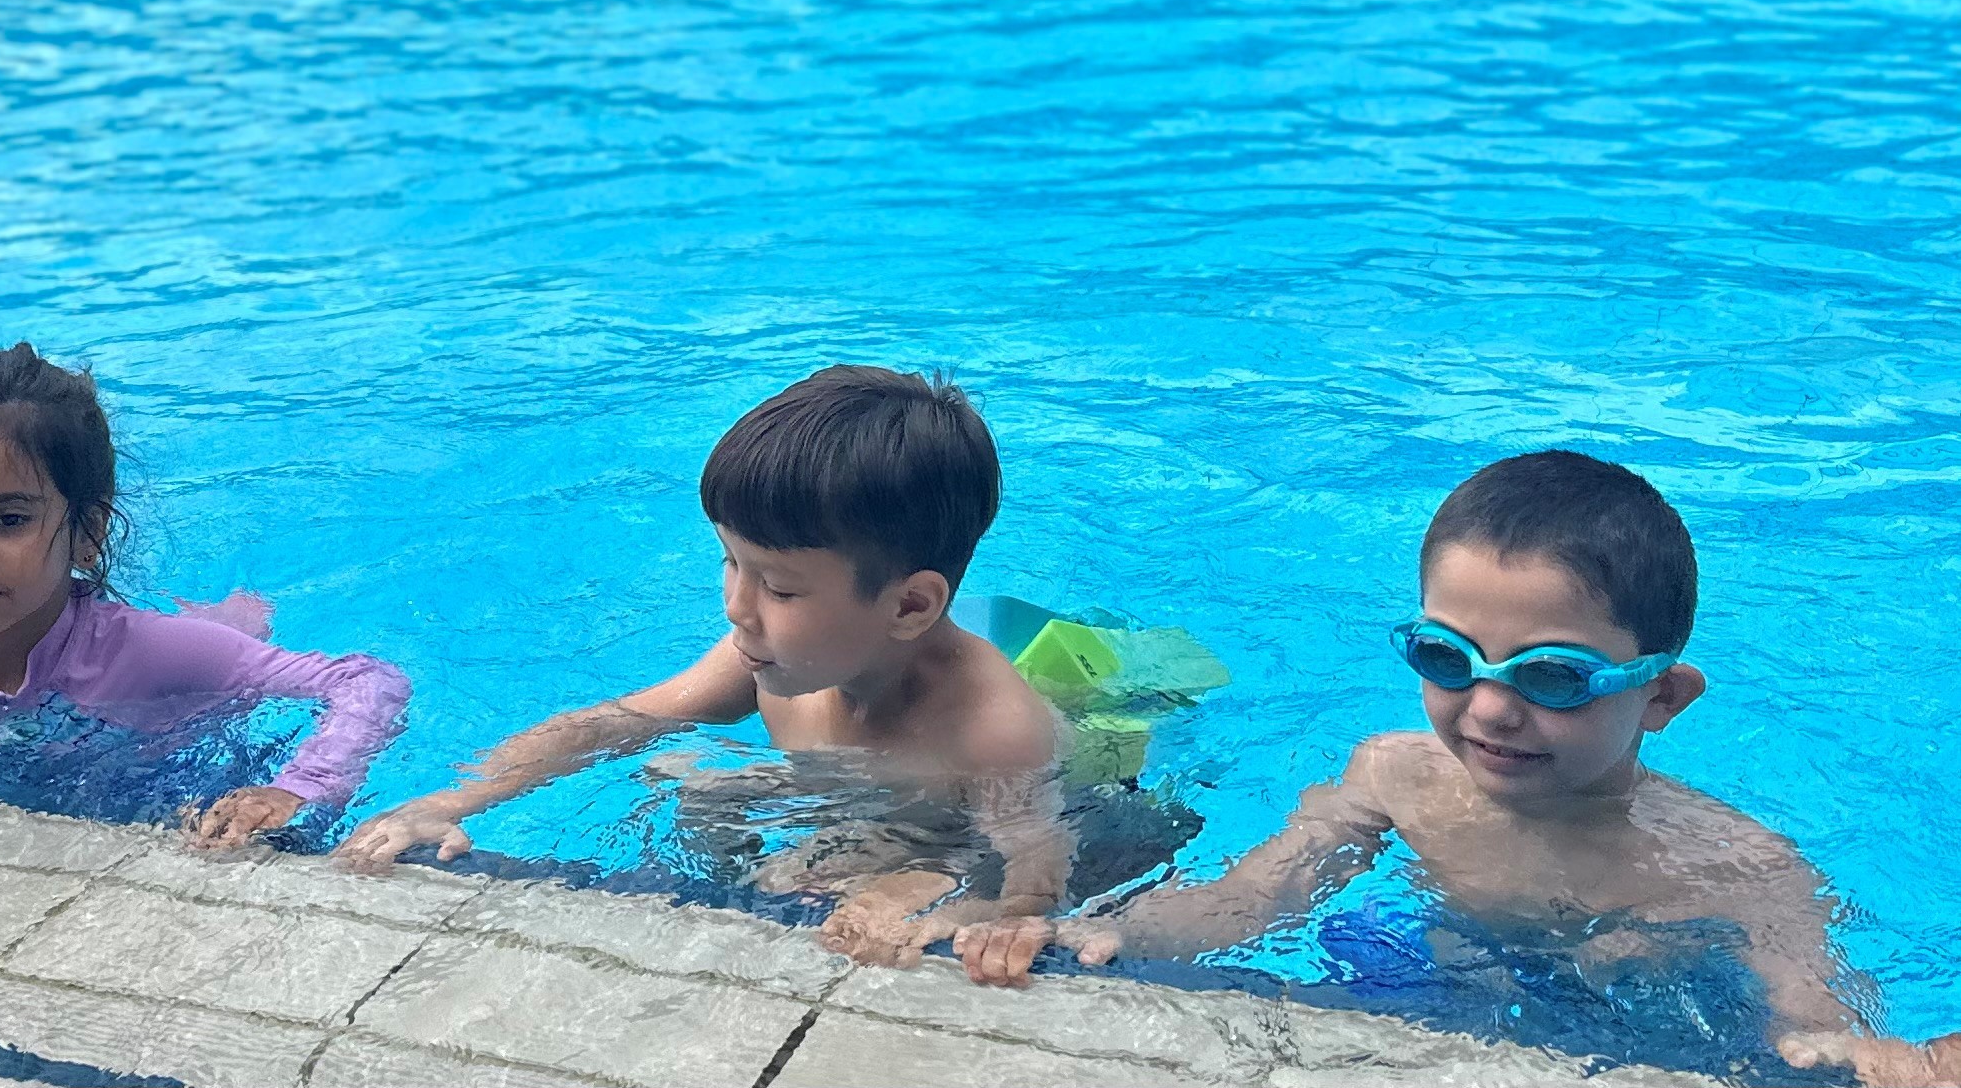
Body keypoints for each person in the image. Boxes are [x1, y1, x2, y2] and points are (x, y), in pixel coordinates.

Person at [991, 451, 1957, 1083]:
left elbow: (1809, 1018)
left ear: (1661, 698)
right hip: (1420, 976)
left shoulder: (1743, 868)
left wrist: (1871, 1056)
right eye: (1446, 657)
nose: (1491, 706)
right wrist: (1123, 929)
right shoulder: (1397, 775)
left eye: (1552, 675)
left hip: (1643, 1033)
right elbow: (1257, 897)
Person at [335, 365, 1070, 979]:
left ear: (909, 604)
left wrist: (979, 917)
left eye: (779, 588)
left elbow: (1036, 881)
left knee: (861, 898)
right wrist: (455, 798)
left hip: (950, 831)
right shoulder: (772, 658)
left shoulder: (993, 732)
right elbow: (617, 722)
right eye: (730, 562)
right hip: (845, 799)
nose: (737, 608)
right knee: (693, 785)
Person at [0, 343, 409, 850]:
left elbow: (367, 680)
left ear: (87, 532)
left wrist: (296, 789)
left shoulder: (156, 654)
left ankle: (236, 621)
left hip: (190, 737)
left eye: (8, 520)